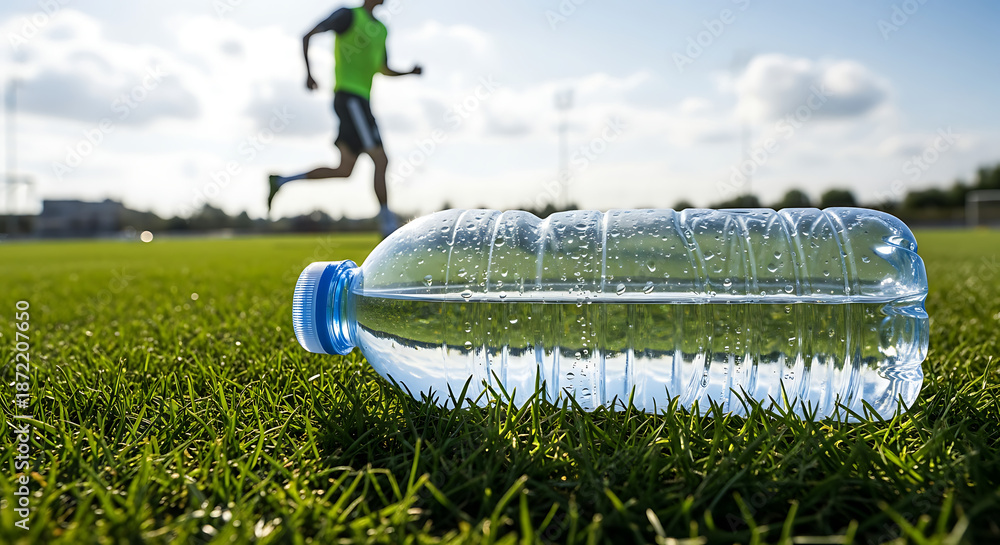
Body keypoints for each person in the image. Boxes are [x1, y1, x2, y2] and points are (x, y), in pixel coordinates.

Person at [267, 0, 422, 237]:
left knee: (345, 170)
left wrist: (408, 72)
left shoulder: (381, 29)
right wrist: (309, 74)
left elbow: (383, 68)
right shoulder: (347, 16)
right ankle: (388, 226)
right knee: (381, 160)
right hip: (350, 98)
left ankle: (280, 181)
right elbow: (307, 35)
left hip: (361, 102)